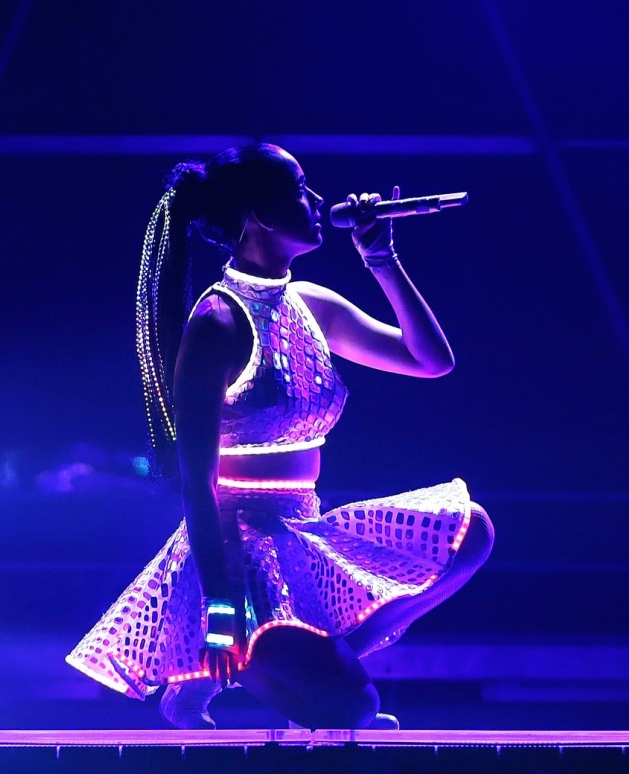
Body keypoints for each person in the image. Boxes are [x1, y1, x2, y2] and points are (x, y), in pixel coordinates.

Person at [65, 144, 494, 729]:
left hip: (304, 529)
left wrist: (382, 259)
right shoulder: (216, 324)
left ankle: (305, 663)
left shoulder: (311, 304)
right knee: (353, 710)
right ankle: (222, 667)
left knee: (471, 532)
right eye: (300, 189)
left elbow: (431, 361)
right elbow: (196, 483)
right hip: (237, 550)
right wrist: (219, 608)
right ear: (261, 216)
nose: (318, 200)